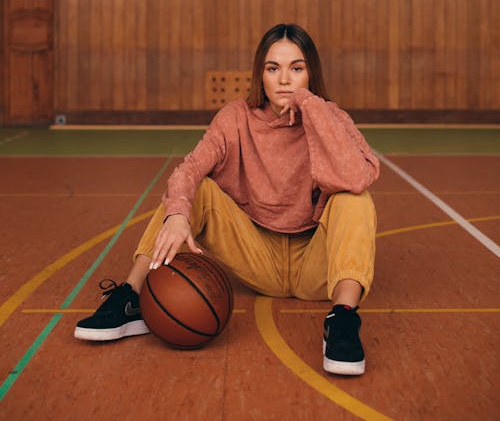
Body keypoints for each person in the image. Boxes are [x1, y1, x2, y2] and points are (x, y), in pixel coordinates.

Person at [75, 23, 379, 376]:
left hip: (318, 266)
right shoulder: (235, 118)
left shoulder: (330, 116)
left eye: (296, 68)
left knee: (355, 200)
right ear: (259, 74)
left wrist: (313, 107)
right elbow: (189, 169)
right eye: (273, 68)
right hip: (255, 255)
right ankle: (131, 297)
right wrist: (176, 215)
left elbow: (357, 176)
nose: (284, 80)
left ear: (311, 72)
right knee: (192, 190)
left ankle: (341, 321)